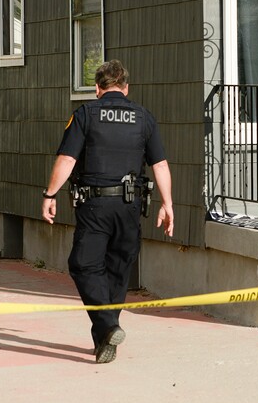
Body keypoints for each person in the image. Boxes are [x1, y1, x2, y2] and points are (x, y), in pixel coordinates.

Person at [41, 60, 174, 363]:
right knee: (117, 271)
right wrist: (168, 204)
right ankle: (105, 339)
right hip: (130, 206)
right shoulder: (144, 117)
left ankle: (108, 326)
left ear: (97, 88)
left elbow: (67, 160)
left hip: (95, 205)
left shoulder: (85, 114)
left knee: (83, 264)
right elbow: (160, 165)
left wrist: (50, 194)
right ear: (126, 88)